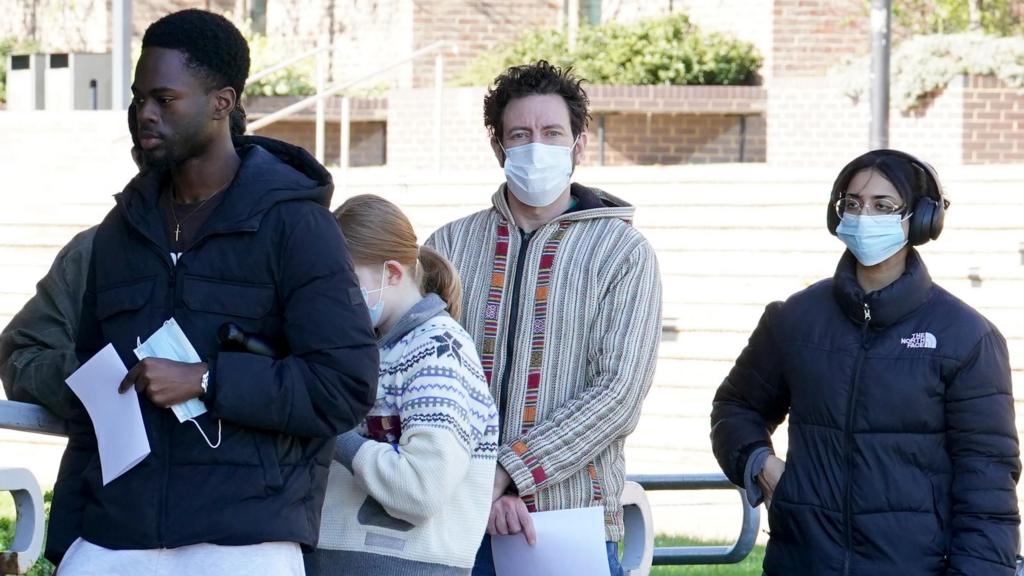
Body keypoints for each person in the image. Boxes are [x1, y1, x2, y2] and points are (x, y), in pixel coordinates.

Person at [52, 9, 378, 575]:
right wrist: (70, 541)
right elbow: (94, 397)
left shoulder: (295, 226)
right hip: (114, 540)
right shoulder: (118, 232)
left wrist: (207, 379)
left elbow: (344, 386)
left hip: (242, 543)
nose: (143, 115)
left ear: (222, 102)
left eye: (164, 98)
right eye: (137, 99)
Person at [710, 149, 1021, 575]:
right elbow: (735, 407)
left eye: (883, 206)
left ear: (923, 219)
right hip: (801, 562)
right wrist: (759, 464)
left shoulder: (967, 338)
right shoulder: (794, 320)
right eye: (852, 204)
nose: (864, 216)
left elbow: (988, 492)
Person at [426, 61, 662, 576]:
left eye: (552, 133)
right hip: (452, 518)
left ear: (578, 145)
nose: (537, 146)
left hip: (567, 526)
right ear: (498, 147)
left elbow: (618, 394)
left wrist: (509, 472)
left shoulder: (623, 253)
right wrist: (475, 484)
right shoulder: (447, 246)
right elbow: (422, 372)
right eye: (521, 134)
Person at [305, 194, 499, 576]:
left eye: (346, 282)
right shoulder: (371, 347)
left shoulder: (440, 352)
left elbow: (421, 488)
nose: (333, 300)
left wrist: (333, 433)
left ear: (392, 273)